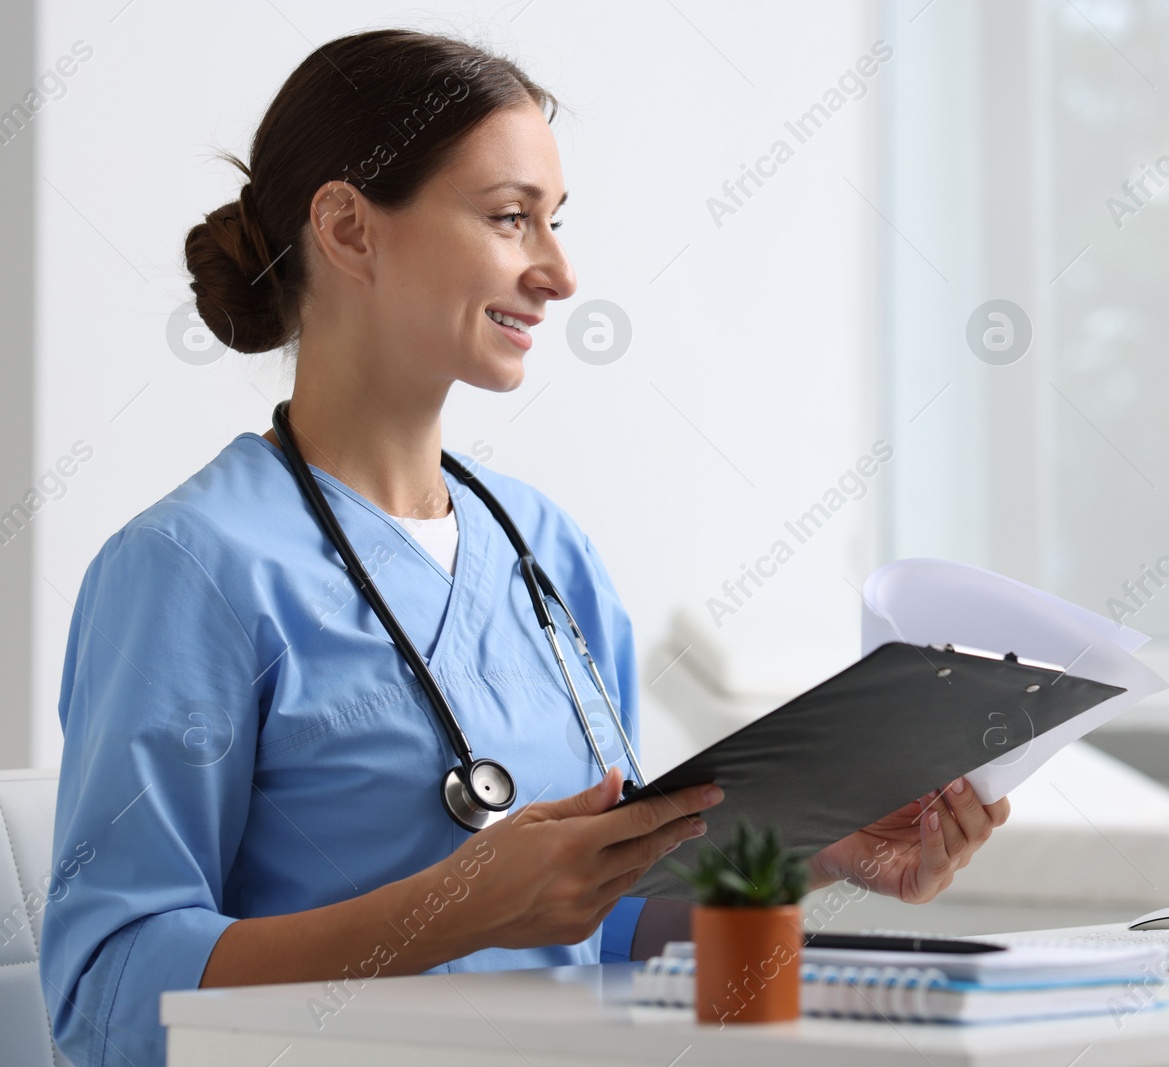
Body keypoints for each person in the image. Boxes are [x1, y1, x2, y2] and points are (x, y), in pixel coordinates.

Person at [38, 29, 1010, 1067]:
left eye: (554, 223)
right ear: (348, 228)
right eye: (510, 219)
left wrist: (813, 850)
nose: (556, 271)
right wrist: (455, 904)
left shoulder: (549, 553)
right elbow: (104, 991)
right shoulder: (191, 570)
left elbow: (613, 927)